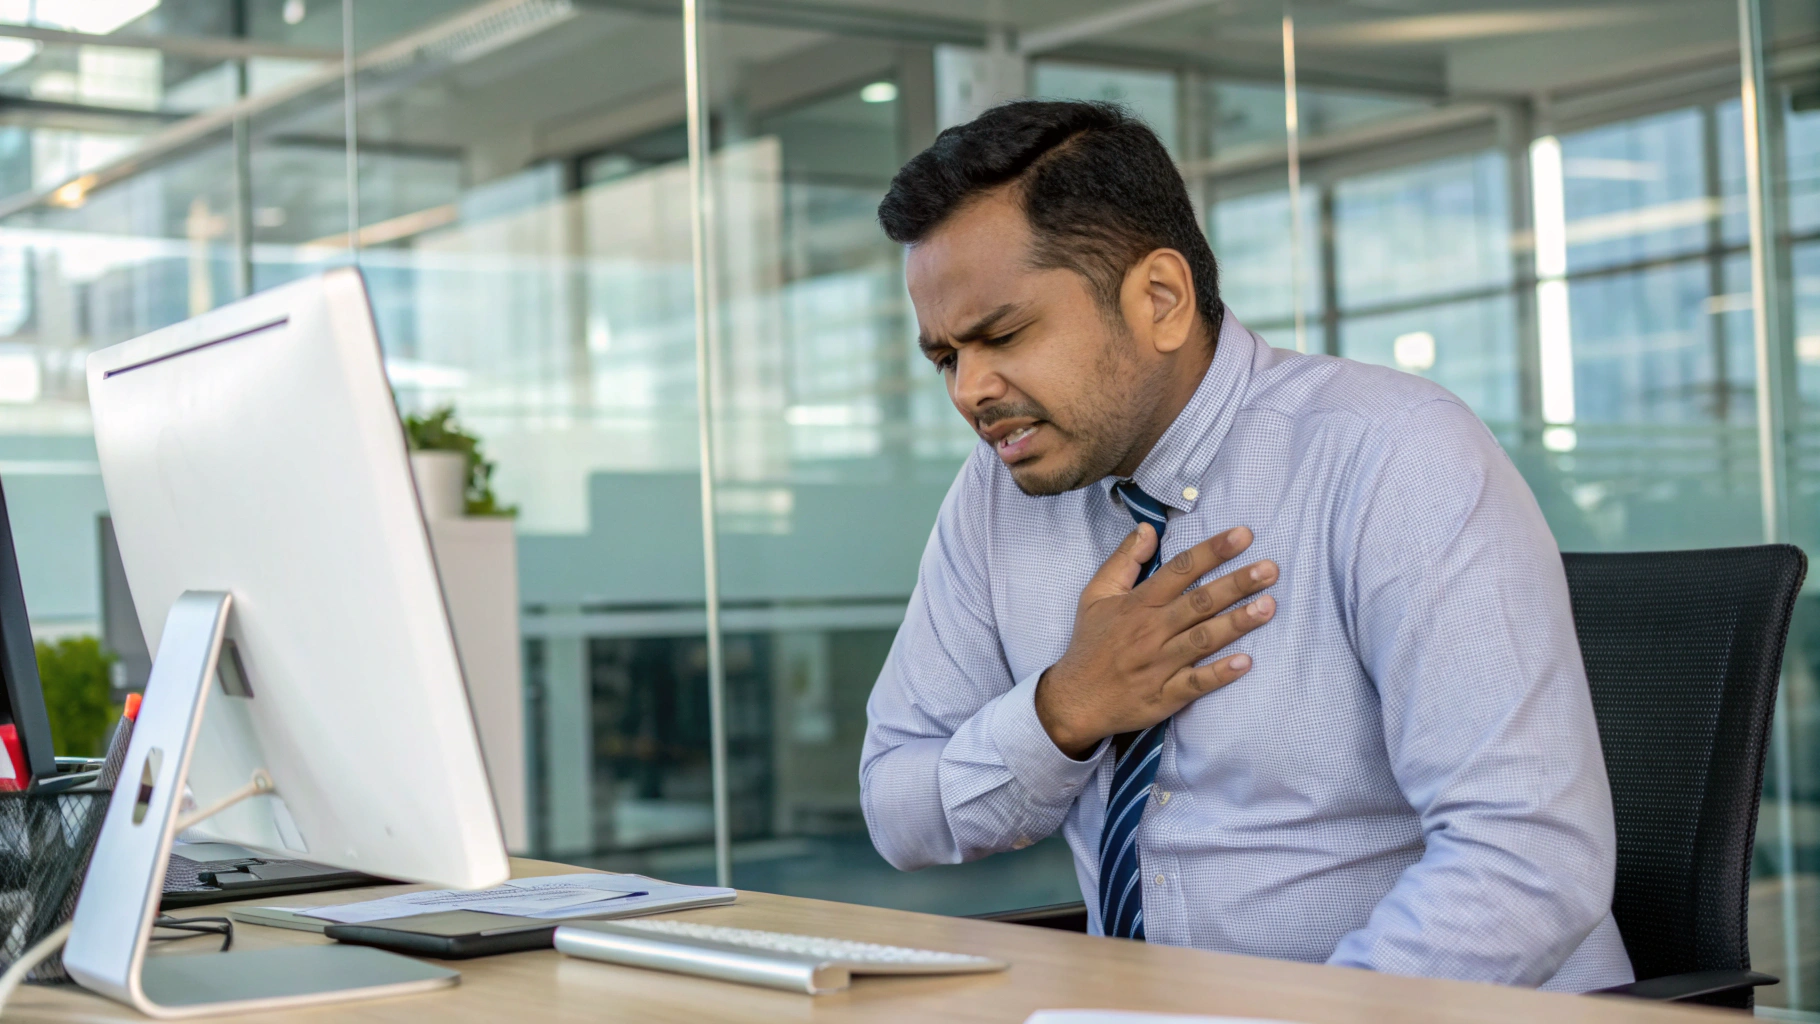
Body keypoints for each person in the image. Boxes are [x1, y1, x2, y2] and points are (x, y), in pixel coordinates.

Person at [858, 100, 1632, 991]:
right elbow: (897, 808)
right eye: (945, 357)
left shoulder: (1392, 455)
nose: (970, 390)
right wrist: (1063, 710)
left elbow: (1528, 858)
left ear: (1160, 300)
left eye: (1002, 335)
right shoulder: (996, 496)